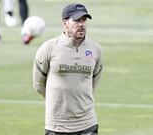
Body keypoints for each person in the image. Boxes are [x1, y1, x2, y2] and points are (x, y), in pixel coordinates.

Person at [33, 3, 103, 135]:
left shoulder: (96, 50)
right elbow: (38, 84)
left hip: (87, 123)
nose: (81, 24)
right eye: (77, 20)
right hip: (57, 125)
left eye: (84, 20)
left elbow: (93, 83)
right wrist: (58, 102)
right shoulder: (48, 48)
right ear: (65, 23)